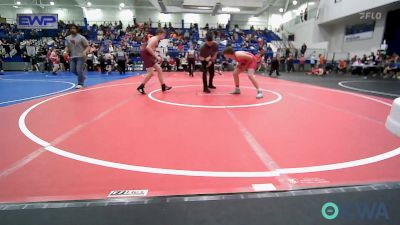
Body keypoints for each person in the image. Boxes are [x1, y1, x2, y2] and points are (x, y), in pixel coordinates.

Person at [137, 29, 172, 94]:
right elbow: (148, 47)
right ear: (159, 33)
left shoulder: (155, 39)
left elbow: (151, 48)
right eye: (163, 35)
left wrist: (157, 55)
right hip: (146, 54)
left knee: (159, 69)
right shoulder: (155, 39)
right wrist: (156, 56)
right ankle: (141, 87)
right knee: (151, 73)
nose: (164, 37)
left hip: (148, 54)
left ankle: (163, 86)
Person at [64, 24, 90, 89]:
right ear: (69, 30)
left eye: (74, 28)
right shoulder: (67, 38)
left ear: (76, 29)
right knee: (72, 70)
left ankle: (80, 83)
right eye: (71, 28)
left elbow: (87, 46)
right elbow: (67, 47)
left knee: (79, 70)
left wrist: (85, 51)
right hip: (72, 56)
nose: (72, 29)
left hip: (81, 56)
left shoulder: (81, 37)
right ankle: (82, 77)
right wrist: (65, 52)